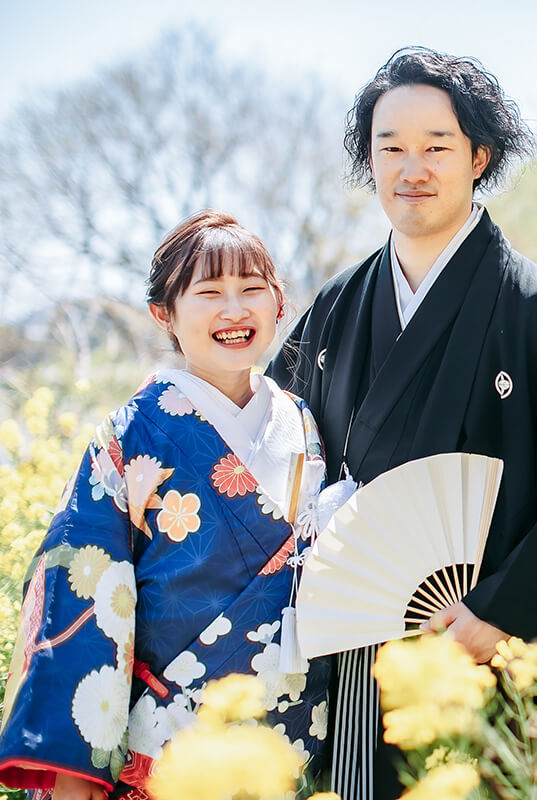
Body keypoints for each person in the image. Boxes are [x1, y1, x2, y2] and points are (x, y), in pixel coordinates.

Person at [267, 47, 537, 799]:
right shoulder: (336, 310)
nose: (413, 169)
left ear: (479, 156)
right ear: (369, 162)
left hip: (492, 647)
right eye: (390, 148)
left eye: (437, 147)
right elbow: (274, 456)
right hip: (363, 655)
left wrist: (499, 613)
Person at [0, 212, 332, 799]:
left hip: (294, 743)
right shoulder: (133, 435)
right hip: (169, 747)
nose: (234, 310)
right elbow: (81, 593)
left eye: (252, 290)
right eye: (208, 293)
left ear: (278, 304)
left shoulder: (302, 422)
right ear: (165, 315)